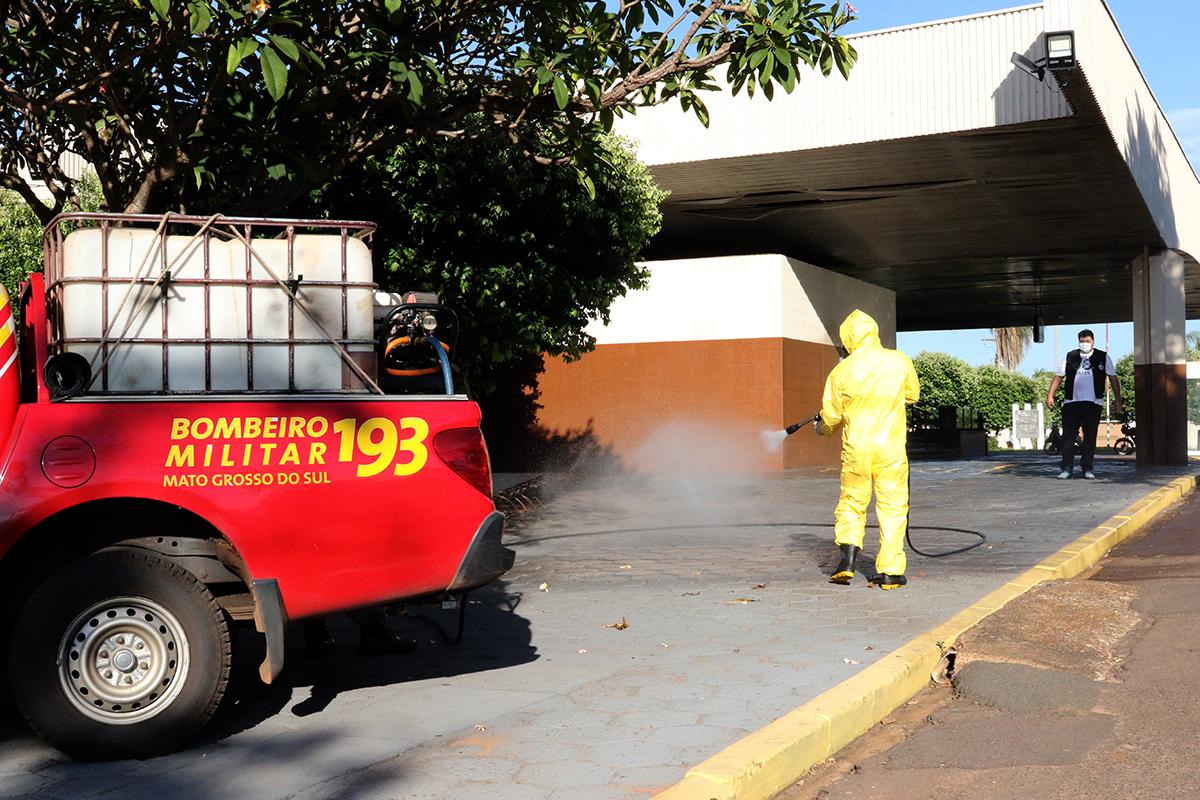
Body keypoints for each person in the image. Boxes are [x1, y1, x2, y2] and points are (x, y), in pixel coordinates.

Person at [817, 309, 920, 590]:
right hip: (890, 449)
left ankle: (848, 560)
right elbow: (912, 395)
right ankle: (890, 572)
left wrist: (821, 427)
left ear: (848, 338)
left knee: (852, 502)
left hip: (857, 450)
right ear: (874, 331)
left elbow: (831, 418)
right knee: (893, 506)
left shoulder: (840, 371)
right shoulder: (898, 361)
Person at [1046, 329, 1123, 479]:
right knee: (1068, 437)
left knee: (1090, 436)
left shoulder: (1103, 357)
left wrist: (1118, 399)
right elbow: (1059, 376)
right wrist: (1050, 395)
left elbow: (1113, 377)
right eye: (1082, 341)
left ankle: (1087, 468)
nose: (1084, 344)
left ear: (1093, 341)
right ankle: (1066, 468)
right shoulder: (1071, 356)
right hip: (1071, 402)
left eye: (1087, 341)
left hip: (1093, 403)